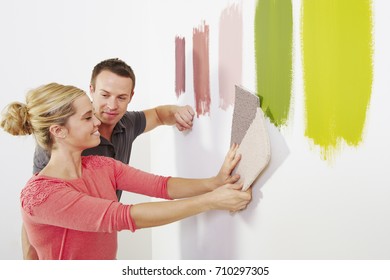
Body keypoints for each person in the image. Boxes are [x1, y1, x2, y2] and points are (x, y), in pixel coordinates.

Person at [1, 83, 252, 260]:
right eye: (88, 117)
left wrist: (215, 182)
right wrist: (211, 201)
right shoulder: (42, 194)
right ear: (59, 131)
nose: (97, 122)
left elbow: (162, 186)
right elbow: (124, 217)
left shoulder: (101, 166)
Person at [27, 58, 195, 259]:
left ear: (131, 96)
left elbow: (159, 116)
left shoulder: (123, 130)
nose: (111, 105)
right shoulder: (56, 151)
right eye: (105, 95)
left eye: (121, 97)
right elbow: (38, 210)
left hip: (102, 242)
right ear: (92, 90)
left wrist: (177, 112)